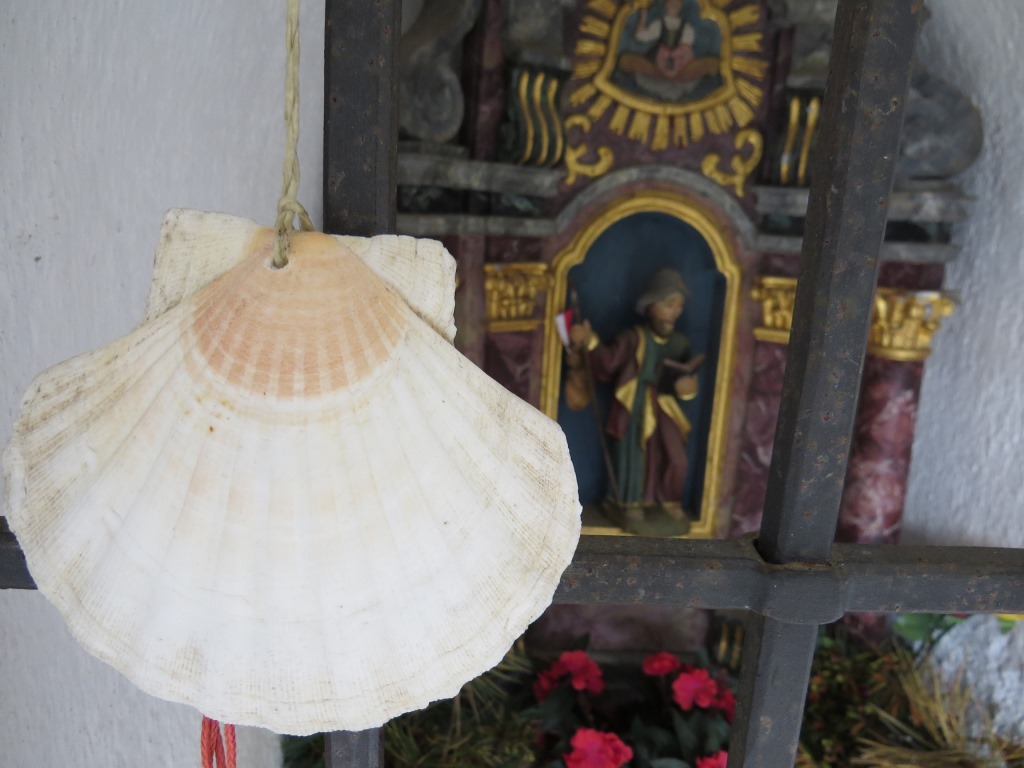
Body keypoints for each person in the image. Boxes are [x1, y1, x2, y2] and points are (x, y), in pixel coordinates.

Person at [567, 268, 700, 523]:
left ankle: (669, 500)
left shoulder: (680, 344)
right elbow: (608, 362)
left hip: (665, 406)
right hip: (635, 404)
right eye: (669, 305)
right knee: (634, 456)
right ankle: (629, 502)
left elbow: (686, 376)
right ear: (651, 307)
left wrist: (688, 387)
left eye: (679, 306)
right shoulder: (633, 338)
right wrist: (591, 341)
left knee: (676, 457)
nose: (675, 312)